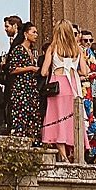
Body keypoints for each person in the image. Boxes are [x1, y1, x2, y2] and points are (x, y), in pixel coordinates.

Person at [40, 21, 88, 160]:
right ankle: (76, 154)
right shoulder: (77, 49)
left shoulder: (53, 48)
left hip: (58, 85)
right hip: (73, 86)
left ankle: (63, 156)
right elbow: (84, 71)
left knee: (58, 120)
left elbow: (43, 72)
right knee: (72, 120)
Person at [5, 19, 43, 143]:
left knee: (33, 116)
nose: (36, 35)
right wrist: (31, 68)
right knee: (21, 116)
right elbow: (12, 69)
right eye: (34, 32)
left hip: (31, 87)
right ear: (26, 34)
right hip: (21, 88)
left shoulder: (31, 51)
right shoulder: (18, 49)